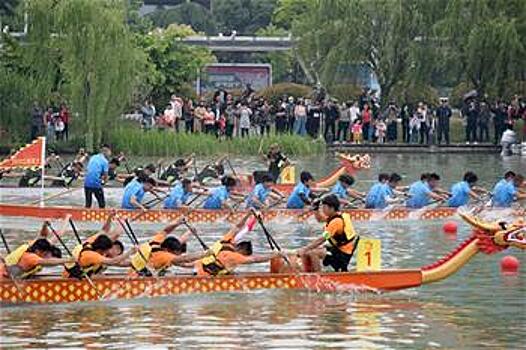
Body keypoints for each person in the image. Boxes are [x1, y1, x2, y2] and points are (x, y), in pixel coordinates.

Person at [195, 211, 280, 276]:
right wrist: (275, 255)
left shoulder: (225, 240)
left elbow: (238, 226)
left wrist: (249, 215)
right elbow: (255, 259)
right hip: (204, 275)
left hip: (198, 267)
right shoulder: (235, 256)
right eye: (244, 255)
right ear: (241, 250)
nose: (243, 257)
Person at [295, 194, 359, 272]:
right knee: (314, 249)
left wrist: (304, 249)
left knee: (313, 252)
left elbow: (322, 239)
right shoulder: (335, 216)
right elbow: (320, 219)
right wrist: (316, 209)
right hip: (338, 249)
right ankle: (310, 271)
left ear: (331, 208)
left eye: (324, 207)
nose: (322, 210)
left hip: (342, 254)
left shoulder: (336, 222)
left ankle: (319, 277)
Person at [128, 218, 206, 276]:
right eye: (175, 253)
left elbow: (166, 231)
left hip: (135, 271)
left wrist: (184, 228)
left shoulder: (157, 241)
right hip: (139, 278)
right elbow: (185, 260)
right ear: (167, 250)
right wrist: (205, 255)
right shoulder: (165, 256)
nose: (177, 255)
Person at [0, 238, 72, 280]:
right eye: (45, 253)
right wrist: (69, 260)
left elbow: (53, 238)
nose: (45, 255)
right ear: (37, 251)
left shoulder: (31, 249)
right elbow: (47, 262)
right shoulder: (31, 257)